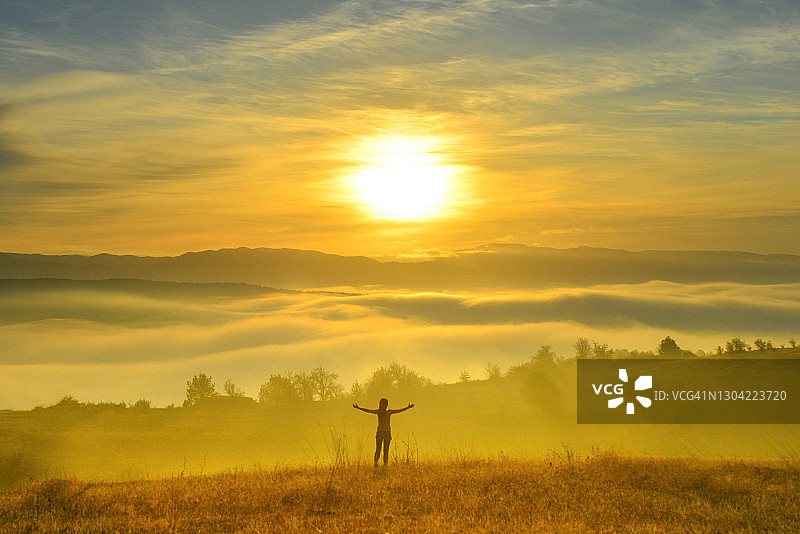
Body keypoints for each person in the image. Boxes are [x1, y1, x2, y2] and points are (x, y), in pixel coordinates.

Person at [353, 398, 414, 467]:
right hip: (380, 432)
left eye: (385, 404)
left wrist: (407, 408)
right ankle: (376, 464)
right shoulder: (379, 412)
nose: (384, 406)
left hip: (386, 433)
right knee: (378, 449)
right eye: (382, 404)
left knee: (386, 450)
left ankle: (385, 465)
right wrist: (359, 408)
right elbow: (368, 410)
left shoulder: (388, 412)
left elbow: (399, 411)